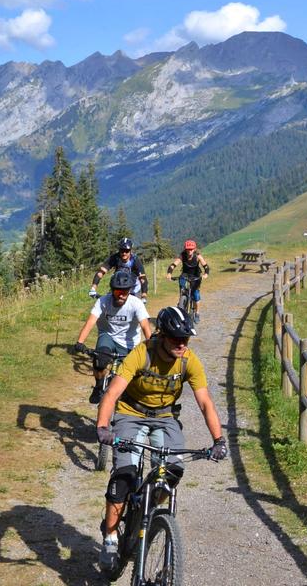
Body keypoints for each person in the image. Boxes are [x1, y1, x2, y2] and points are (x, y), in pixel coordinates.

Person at [94, 306, 227, 571]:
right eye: (176, 338)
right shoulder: (141, 353)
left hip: (165, 418)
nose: (181, 344)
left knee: (172, 472)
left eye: (185, 339)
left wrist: (219, 440)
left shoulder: (189, 360)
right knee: (124, 476)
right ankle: (110, 537)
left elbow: (205, 403)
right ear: (162, 335)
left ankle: (150, 509)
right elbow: (111, 394)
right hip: (131, 413)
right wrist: (103, 427)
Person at [75, 271, 151, 404]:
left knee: (129, 378)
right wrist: (80, 342)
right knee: (100, 361)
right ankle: (99, 386)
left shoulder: (136, 303)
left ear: (129, 291)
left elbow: (145, 325)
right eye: (117, 292)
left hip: (129, 343)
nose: (121, 295)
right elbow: (91, 321)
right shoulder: (103, 301)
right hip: (108, 336)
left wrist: (152, 346)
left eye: (125, 291)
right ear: (112, 290)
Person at [89, 237, 148, 303]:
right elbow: (101, 272)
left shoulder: (135, 260)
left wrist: (144, 295)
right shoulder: (115, 258)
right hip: (118, 287)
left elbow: (142, 278)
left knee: (135, 309)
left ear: (130, 251)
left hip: (133, 289)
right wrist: (93, 288)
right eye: (122, 250)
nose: (124, 253)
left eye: (127, 251)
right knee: (108, 305)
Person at [165, 240, 209, 324]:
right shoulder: (182, 255)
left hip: (196, 276)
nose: (189, 251)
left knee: (196, 295)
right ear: (185, 249)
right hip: (185, 275)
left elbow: (205, 266)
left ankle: (197, 313)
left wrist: (206, 274)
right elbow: (173, 265)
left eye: (191, 249)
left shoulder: (198, 256)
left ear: (194, 249)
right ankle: (182, 303)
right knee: (182, 291)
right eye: (188, 249)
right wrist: (169, 273)